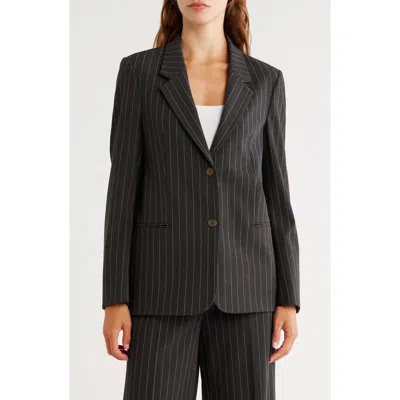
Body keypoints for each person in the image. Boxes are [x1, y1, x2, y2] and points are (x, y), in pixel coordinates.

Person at [102, 1, 300, 399]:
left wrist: (289, 298)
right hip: (160, 289)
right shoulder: (139, 73)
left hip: (247, 289)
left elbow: (277, 193)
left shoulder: (265, 80)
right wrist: (115, 297)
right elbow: (122, 190)